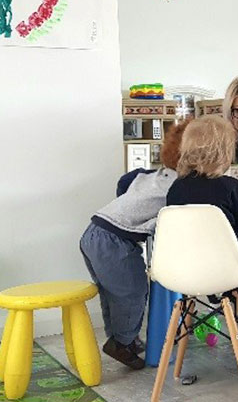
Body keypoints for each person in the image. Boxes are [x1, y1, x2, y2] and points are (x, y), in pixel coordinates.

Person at [80, 121, 189, 370]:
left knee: (114, 295)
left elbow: (126, 179)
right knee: (132, 292)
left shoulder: (155, 175)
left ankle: (122, 339)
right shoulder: (180, 186)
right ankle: (121, 342)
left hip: (96, 230)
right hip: (113, 240)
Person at [166, 115, 238, 306]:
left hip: (185, 268)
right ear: (226, 152)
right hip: (225, 269)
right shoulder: (231, 187)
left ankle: (221, 298)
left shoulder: (176, 188)